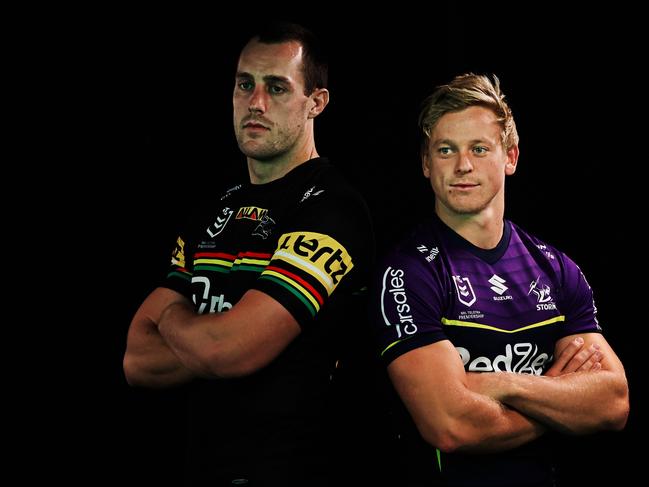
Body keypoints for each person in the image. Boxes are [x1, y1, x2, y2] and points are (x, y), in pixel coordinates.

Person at [123, 21, 374, 486]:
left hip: (294, 469)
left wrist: (179, 321)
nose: (255, 103)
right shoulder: (214, 209)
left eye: (277, 88)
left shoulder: (332, 208)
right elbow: (137, 359)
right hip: (201, 467)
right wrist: (224, 339)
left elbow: (228, 351)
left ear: (316, 102)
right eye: (245, 85)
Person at [370, 73, 629, 486]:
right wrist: (558, 396)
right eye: (445, 150)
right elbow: (451, 426)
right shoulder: (409, 272)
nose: (463, 165)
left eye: (478, 148)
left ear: (510, 157)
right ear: (425, 162)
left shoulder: (556, 269)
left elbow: (613, 403)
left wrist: (502, 383)